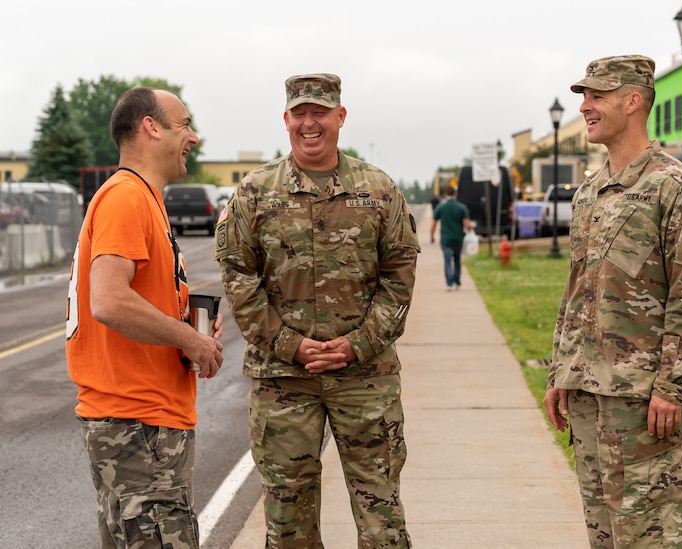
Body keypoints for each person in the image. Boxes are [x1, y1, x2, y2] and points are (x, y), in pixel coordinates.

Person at [215, 73, 420, 548]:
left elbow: (400, 277)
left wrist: (356, 344)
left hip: (364, 378)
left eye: (320, 112)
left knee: (380, 512)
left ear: (340, 117)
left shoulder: (379, 189)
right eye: (300, 113)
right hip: (285, 380)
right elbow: (238, 277)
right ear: (286, 119)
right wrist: (290, 345)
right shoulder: (254, 191)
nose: (310, 123)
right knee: (288, 515)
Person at [542, 55, 682, 549]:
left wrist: (674, 386)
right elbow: (577, 288)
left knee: (650, 536)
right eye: (583, 96)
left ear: (633, 100)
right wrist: (561, 372)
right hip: (587, 390)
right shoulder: (591, 191)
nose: (584, 107)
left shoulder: (674, 187)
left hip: (642, 399)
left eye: (596, 96)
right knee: (603, 533)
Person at [66, 87, 225, 548]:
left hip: (139, 423)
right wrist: (189, 339)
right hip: (139, 424)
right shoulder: (126, 198)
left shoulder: (143, 198)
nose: (193, 137)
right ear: (150, 128)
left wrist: (189, 321)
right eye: (184, 124)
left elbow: (133, 294)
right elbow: (109, 300)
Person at [430, 184, 471, 291]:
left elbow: (434, 223)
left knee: (447, 260)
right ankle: (457, 282)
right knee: (457, 259)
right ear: (455, 194)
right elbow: (467, 225)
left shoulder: (441, 207)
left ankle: (449, 283)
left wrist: (432, 236)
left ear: (445, 194)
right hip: (458, 238)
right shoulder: (462, 207)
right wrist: (470, 231)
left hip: (446, 239)